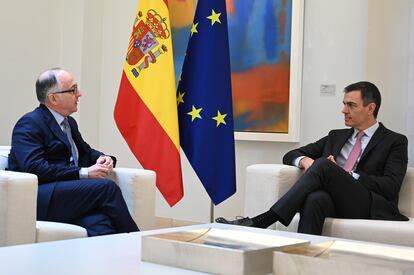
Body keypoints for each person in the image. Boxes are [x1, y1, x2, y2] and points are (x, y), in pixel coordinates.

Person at [216, 81, 408, 235]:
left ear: (370, 108)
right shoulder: (336, 136)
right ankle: (303, 258)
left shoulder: (394, 141)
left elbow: (390, 186)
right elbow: (290, 155)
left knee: (324, 165)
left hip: (369, 204)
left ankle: (263, 220)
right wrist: (306, 162)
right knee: (315, 199)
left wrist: (346, 174)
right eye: (343, 104)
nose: (344, 110)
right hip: (335, 200)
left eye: (351, 105)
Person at [8, 68, 139, 236]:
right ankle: (140, 244)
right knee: (106, 188)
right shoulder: (29, 123)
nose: (79, 94)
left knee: (100, 223)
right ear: (53, 98)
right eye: (73, 89)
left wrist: (103, 158)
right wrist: (84, 173)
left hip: (68, 195)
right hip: (40, 197)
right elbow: (34, 167)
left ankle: (109, 260)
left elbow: (85, 152)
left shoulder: (69, 123)